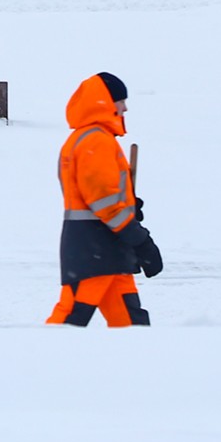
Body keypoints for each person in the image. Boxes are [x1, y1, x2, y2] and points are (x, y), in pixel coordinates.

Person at [46, 72, 161, 328]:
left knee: (131, 324)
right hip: (94, 249)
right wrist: (141, 240)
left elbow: (104, 193)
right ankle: (41, 362)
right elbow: (105, 203)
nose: (125, 107)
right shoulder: (96, 141)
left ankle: (141, 367)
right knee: (69, 319)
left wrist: (131, 205)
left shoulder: (89, 139)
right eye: (121, 100)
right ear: (106, 103)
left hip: (105, 251)